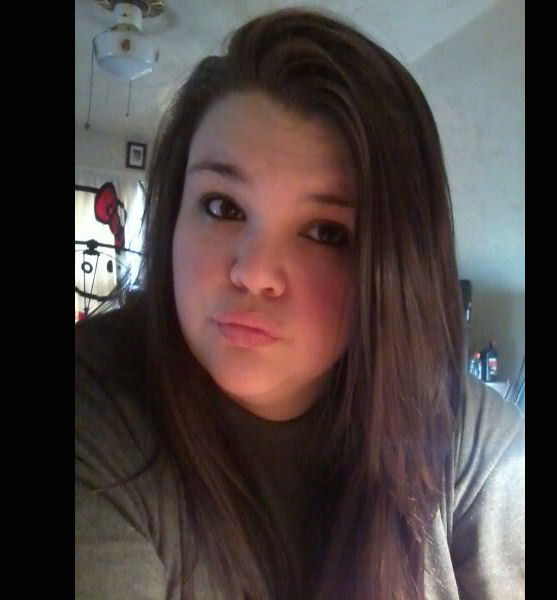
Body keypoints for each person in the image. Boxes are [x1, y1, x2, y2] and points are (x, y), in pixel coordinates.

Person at [75, 7, 524, 600]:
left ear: (395, 269)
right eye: (223, 207)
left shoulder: (471, 444)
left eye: (325, 233)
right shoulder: (97, 412)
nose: (254, 273)